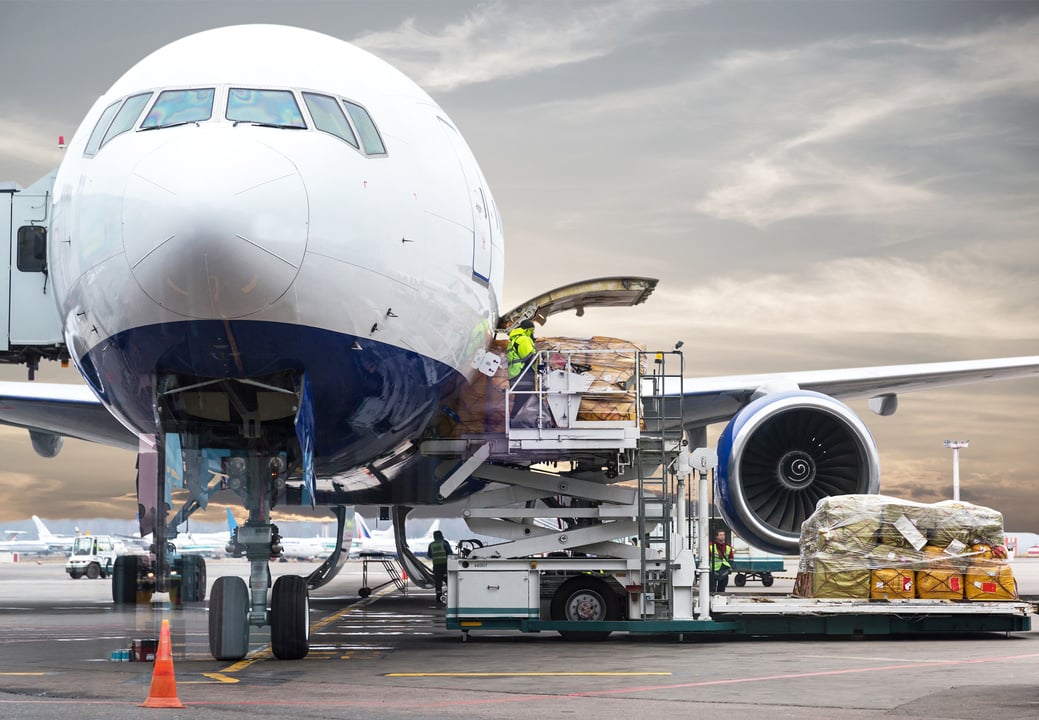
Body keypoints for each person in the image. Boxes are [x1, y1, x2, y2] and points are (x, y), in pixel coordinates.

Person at [506, 319, 538, 425]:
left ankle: (515, 421)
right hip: (522, 375)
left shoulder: (515, 339)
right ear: (529, 329)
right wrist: (540, 359)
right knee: (524, 401)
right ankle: (514, 422)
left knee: (521, 400)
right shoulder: (524, 339)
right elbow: (529, 357)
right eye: (533, 330)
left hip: (516, 375)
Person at [427, 529, 453, 605]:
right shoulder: (445, 543)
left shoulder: (431, 545)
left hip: (436, 566)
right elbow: (450, 553)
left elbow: (429, 555)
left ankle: (438, 597)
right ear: (441, 536)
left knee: (438, 582)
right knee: (449, 581)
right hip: (445, 566)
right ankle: (451, 595)